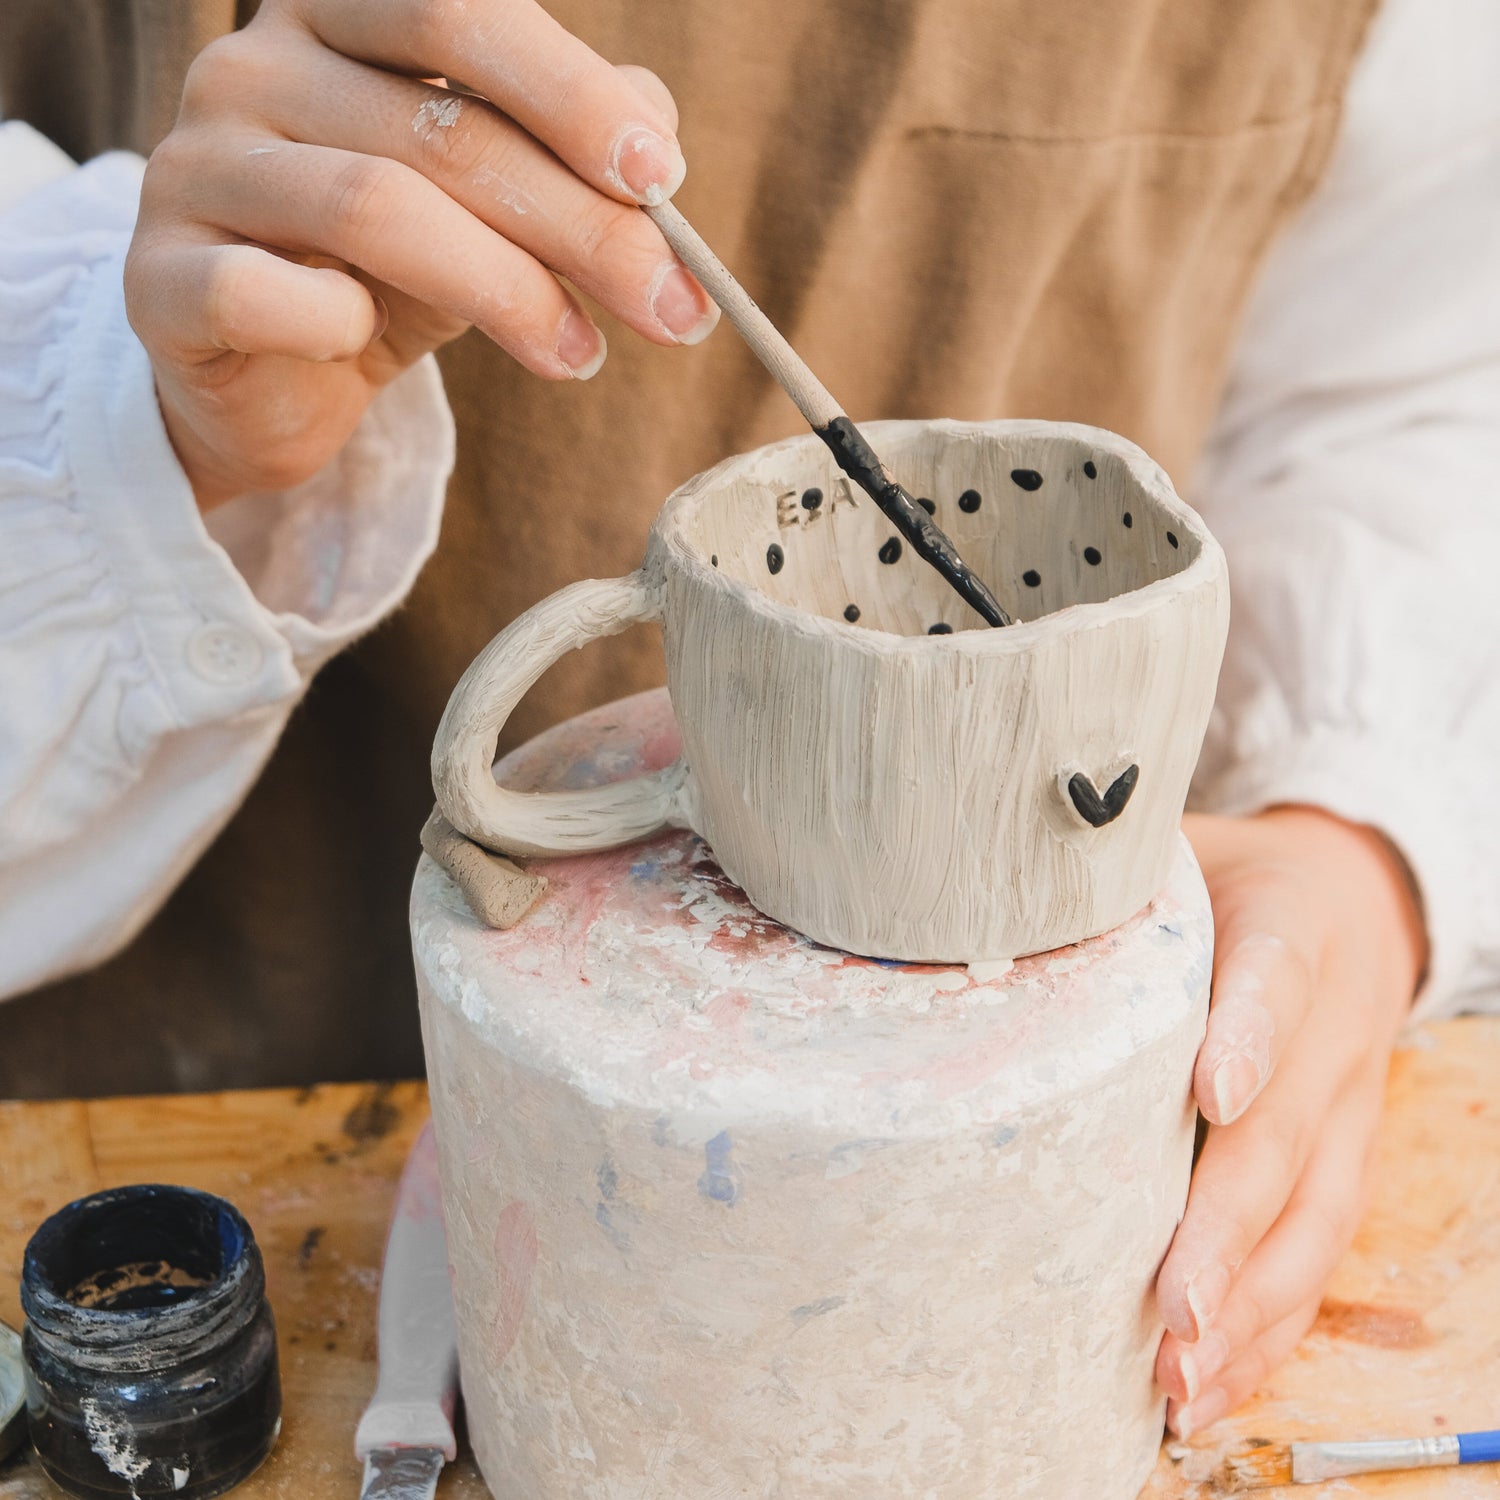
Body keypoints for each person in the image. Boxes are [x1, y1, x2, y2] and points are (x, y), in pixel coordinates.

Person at [0, 0, 1496, 1440]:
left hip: (1054, 1136)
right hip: (219, 1128)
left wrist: (1354, 826)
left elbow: (1412, 385)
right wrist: (150, 433)